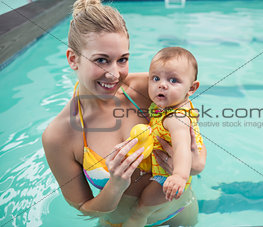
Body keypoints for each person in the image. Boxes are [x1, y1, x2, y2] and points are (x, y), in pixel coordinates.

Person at [42, 0, 207, 226]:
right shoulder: (59, 135)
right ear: (73, 59)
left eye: (122, 60)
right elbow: (85, 209)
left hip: (179, 210)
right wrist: (116, 185)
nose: (114, 74)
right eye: (101, 60)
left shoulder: (150, 89)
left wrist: (194, 164)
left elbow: (190, 129)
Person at [124, 47, 203, 227]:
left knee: (139, 211)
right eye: (156, 78)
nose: (162, 85)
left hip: (167, 178)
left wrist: (179, 176)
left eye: (173, 80)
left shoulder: (176, 118)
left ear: (191, 88)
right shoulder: (168, 103)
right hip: (168, 174)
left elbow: (183, 146)